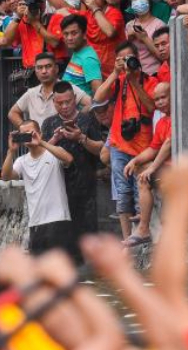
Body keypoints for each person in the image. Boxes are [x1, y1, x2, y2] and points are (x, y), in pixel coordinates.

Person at [94, 41, 155, 242]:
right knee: (122, 190)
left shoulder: (148, 80)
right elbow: (98, 97)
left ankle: (141, 235)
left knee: (140, 188)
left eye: (130, 58)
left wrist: (134, 81)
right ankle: (126, 238)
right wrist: (114, 73)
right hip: (119, 142)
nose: (127, 62)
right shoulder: (118, 80)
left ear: (137, 58)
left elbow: (151, 107)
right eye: (123, 59)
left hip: (142, 144)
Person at [1, 120, 78, 260]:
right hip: (36, 223)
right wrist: (11, 151)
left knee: (60, 270)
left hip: (58, 220)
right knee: (38, 271)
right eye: (23, 134)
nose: (28, 136)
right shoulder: (21, 161)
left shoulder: (53, 154)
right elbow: (6, 177)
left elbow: (69, 159)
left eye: (30, 133)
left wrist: (41, 142)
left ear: (39, 133)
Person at [42, 80, 107, 240]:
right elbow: (41, 154)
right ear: (53, 102)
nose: (64, 106)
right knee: (60, 233)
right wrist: (55, 139)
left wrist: (81, 138)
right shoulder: (49, 123)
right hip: (57, 185)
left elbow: (101, 149)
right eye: (60, 103)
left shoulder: (88, 119)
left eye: (68, 102)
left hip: (85, 184)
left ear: (75, 98)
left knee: (86, 233)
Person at [121, 81, 170, 246]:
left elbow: (168, 145)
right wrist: (134, 161)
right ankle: (144, 221)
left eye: (164, 97)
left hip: (179, 168)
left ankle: (144, 228)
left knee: (146, 174)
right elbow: (153, 148)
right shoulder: (162, 122)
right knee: (140, 170)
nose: (160, 102)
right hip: (166, 168)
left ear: (172, 96)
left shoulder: (178, 116)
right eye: (157, 100)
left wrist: (153, 168)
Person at [8, 51, 90, 128]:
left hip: (62, 140)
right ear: (35, 72)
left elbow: (91, 103)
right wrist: (27, 130)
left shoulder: (66, 88)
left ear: (56, 69)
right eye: (39, 68)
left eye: (48, 66)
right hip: (38, 141)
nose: (44, 71)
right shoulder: (31, 93)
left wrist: (74, 121)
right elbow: (12, 113)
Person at [60, 12, 101, 96]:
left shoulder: (88, 59)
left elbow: (99, 94)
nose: (69, 38)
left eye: (74, 33)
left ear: (84, 34)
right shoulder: (78, 52)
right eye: (66, 34)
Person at [81, 0, 121, 75]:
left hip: (114, 71)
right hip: (95, 70)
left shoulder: (114, 13)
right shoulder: (87, 14)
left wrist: (95, 8)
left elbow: (110, 32)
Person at [124, 0, 163, 76]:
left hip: (153, 74)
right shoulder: (129, 25)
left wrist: (145, 39)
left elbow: (162, 56)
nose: (138, 1)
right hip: (133, 74)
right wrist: (129, 38)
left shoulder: (159, 25)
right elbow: (124, 52)